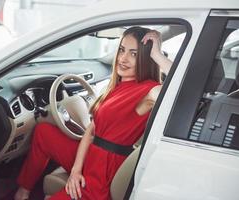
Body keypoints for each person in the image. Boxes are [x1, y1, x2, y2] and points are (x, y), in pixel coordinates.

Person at [14, 26, 172, 200]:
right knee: (44, 132)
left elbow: (181, 89)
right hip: (91, 153)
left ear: (145, 58)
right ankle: (23, 192)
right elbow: (91, 131)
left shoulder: (149, 91)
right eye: (121, 50)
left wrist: (157, 55)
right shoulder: (116, 85)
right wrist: (75, 169)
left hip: (104, 170)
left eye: (133, 54)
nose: (123, 58)